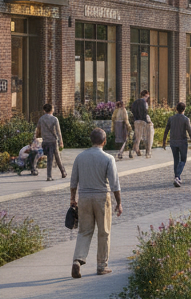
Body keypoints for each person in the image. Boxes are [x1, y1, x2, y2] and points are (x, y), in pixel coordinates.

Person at [69, 128, 122, 279]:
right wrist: (119, 203)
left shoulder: (80, 157)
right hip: (101, 197)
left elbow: (73, 181)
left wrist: (73, 198)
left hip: (84, 197)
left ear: (91, 141)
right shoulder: (108, 158)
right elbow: (115, 184)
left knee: (84, 231)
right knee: (104, 232)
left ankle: (77, 260)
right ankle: (101, 266)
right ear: (104, 142)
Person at [162, 101, 191, 187]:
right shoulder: (185, 119)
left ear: (176, 109)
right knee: (183, 160)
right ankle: (177, 177)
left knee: (176, 160)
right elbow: (190, 132)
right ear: (184, 109)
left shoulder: (171, 118)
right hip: (182, 142)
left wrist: (164, 141)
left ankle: (176, 178)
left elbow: (166, 130)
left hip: (173, 142)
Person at [37, 102, 66, 180]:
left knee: (55, 157)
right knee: (53, 158)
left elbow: (38, 129)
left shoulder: (41, 119)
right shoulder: (54, 119)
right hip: (53, 141)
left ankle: (63, 172)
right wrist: (61, 141)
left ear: (44, 110)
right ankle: (50, 176)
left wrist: (37, 139)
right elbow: (58, 131)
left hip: (45, 141)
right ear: (52, 110)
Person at [131, 89, 152, 158]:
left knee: (138, 137)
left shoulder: (135, 102)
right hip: (143, 121)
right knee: (148, 136)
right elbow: (145, 113)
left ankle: (134, 151)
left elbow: (132, 111)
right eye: (147, 96)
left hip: (136, 121)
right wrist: (147, 121)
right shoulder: (144, 103)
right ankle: (148, 152)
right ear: (146, 95)